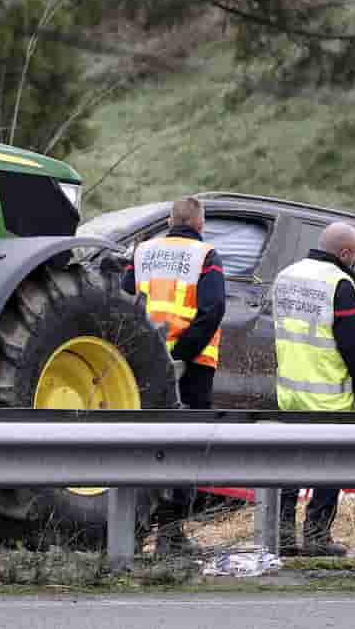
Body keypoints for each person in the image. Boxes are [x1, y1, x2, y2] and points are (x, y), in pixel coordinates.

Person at [122, 196, 225, 553]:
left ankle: (131, 533)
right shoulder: (205, 255)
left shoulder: (142, 252)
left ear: (169, 220)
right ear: (199, 224)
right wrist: (180, 355)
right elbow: (212, 310)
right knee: (187, 447)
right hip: (192, 366)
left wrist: (149, 353)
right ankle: (170, 532)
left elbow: (123, 304)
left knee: (143, 444)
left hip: (144, 363)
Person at [272, 221, 355, 557]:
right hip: (328, 396)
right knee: (329, 467)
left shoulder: (287, 275)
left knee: (288, 467)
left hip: (289, 393)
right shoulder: (339, 285)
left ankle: (282, 534)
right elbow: (354, 346)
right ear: (344, 253)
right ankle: (316, 537)